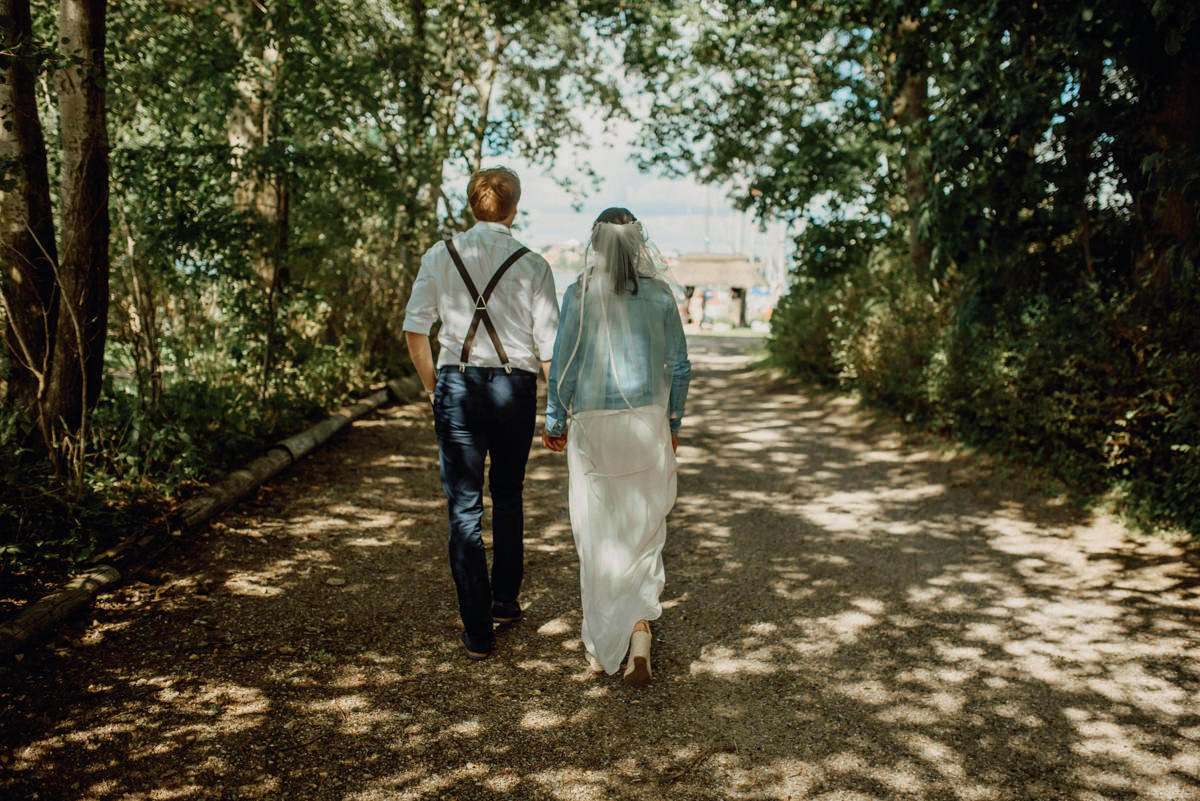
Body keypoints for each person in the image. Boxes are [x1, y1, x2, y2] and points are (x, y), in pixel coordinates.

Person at [403, 167, 559, 661]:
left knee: (465, 508)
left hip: (457, 385)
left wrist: (433, 387)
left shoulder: (440, 254)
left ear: (473, 206)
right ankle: (505, 599)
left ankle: (478, 630)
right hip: (516, 387)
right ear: (515, 208)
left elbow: (414, 330)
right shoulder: (534, 264)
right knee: (509, 493)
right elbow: (550, 348)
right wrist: (558, 407)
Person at [542, 207, 691, 686]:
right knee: (644, 531)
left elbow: (564, 363)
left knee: (596, 532)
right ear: (638, 243)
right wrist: (673, 422)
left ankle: (599, 641)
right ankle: (640, 632)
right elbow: (680, 367)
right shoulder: (661, 296)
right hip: (646, 423)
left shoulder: (579, 294)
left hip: (593, 426)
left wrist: (554, 417)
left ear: (596, 244)